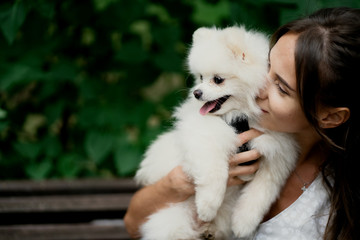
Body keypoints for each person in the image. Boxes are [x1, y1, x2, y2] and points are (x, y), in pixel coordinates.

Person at [124, 7, 360, 239]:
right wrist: (177, 183)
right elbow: (133, 224)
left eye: (281, 87)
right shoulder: (222, 121)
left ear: (330, 116)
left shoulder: (337, 198)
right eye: (268, 65)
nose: (259, 85)